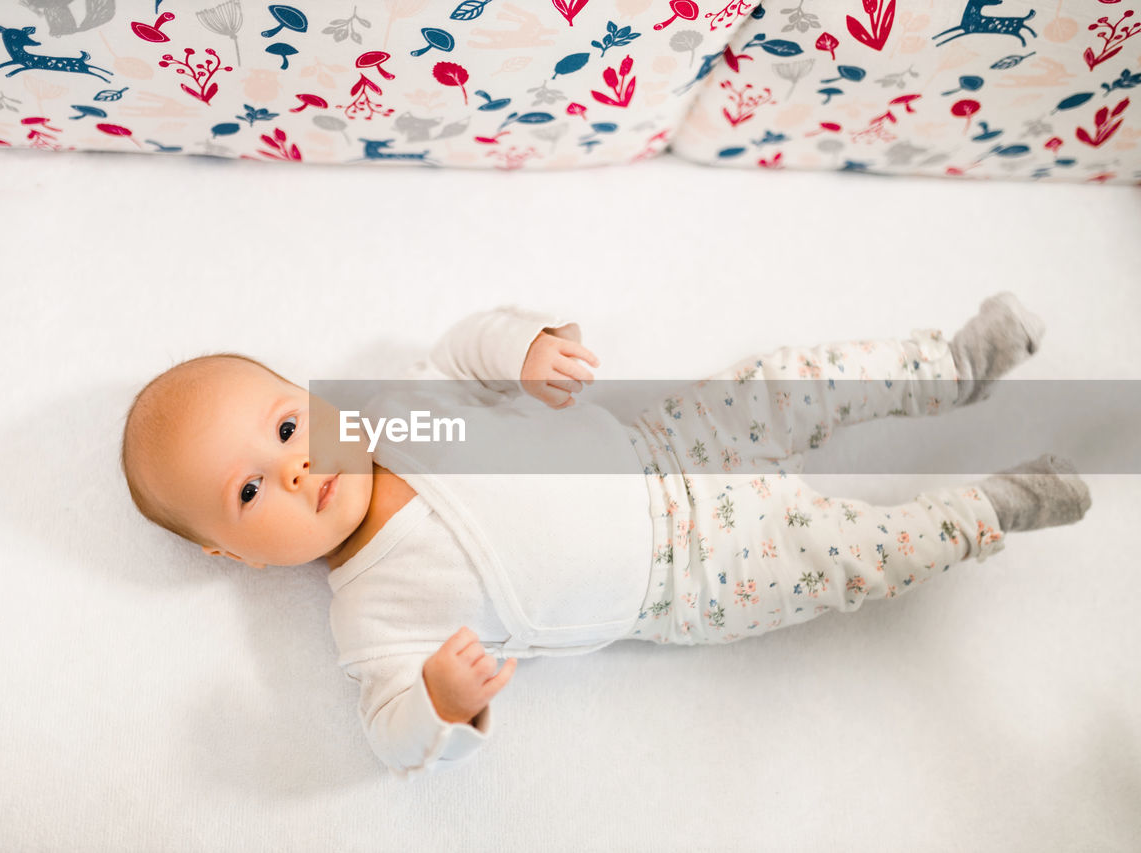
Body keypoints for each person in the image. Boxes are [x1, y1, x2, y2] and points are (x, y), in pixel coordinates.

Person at [119, 293, 1091, 778]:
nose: (295, 469)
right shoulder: (373, 606)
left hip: (664, 441)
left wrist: (525, 349)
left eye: (286, 428)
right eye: (250, 491)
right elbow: (390, 734)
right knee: (849, 555)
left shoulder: (394, 418)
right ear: (232, 554)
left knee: (795, 377)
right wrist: (440, 701)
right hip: (689, 573)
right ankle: (986, 511)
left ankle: (944, 367)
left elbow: (465, 350)